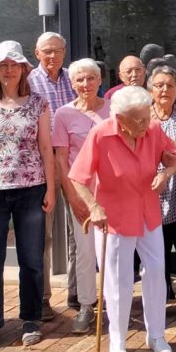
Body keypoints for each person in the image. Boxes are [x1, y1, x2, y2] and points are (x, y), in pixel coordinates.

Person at [68, 86, 176, 352]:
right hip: (115, 218)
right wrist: (94, 207)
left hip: (148, 213)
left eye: (147, 117)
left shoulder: (153, 129)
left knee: (156, 271)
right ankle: (118, 340)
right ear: (120, 118)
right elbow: (78, 177)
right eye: (139, 119)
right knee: (118, 281)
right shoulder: (101, 134)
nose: (146, 124)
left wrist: (167, 173)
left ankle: (156, 335)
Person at [0, 40, 56, 352]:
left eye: (13, 65)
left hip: (31, 190)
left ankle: (31, 319)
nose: (8, 70)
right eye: (2, 65)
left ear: (23, 69)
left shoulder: (38, 104)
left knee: (32, 260)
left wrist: (51, 189)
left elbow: (46, 148)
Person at [52, 59, 109, 334]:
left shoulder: (113, 110)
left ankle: (115, 301)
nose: (85, 84)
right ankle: (87, 305)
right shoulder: (63, 114)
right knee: (86, 252)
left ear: (100, 80)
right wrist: (72, 196)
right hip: (82, 193)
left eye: (90, 78)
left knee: (112, 251)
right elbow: (61, 159)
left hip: (114, 192)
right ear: (72, 84)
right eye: (79, 80)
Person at [27, 31, 75, 319]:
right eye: (47, 51)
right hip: (41, 165)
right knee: (41, 235)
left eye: (57, 50)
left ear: (64, 52)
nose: (52, 56)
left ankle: (77, 294)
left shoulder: (76, 78)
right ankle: (43, 299)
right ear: (37, 53)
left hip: (72, 165)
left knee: (77, 232)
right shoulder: (28, 83)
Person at [148, 65, 176, 299]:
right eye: (159, 85)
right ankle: (162, 296)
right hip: (152, 195)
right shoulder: (143, 117)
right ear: (150, 90)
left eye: (170, 85)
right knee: (158, 252)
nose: (164, 89)